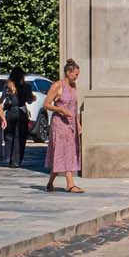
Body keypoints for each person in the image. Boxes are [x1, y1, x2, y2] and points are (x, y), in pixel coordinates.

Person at [43, 59, 85, 192]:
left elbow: (74, 107)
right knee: (63, 152)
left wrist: (78, 123)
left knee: (68, 152)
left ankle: (50, 183)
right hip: (59, 124)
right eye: (75, 74)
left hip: (71, 124)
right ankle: (70, 184)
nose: (76, 77)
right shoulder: (57, 86)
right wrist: (60, 109)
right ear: (68, 72)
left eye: (77, 74)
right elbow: (46, 104)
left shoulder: (73, 87)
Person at [2, 67, 35, 170]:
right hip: (21, 112)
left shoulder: (7, 86)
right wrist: (32, 98)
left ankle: (9, 158)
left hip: (10, 112)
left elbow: (2, 99)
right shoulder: (26, 86)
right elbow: (29, 100)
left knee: (9, 135)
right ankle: (16, 160)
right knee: (20, 137)